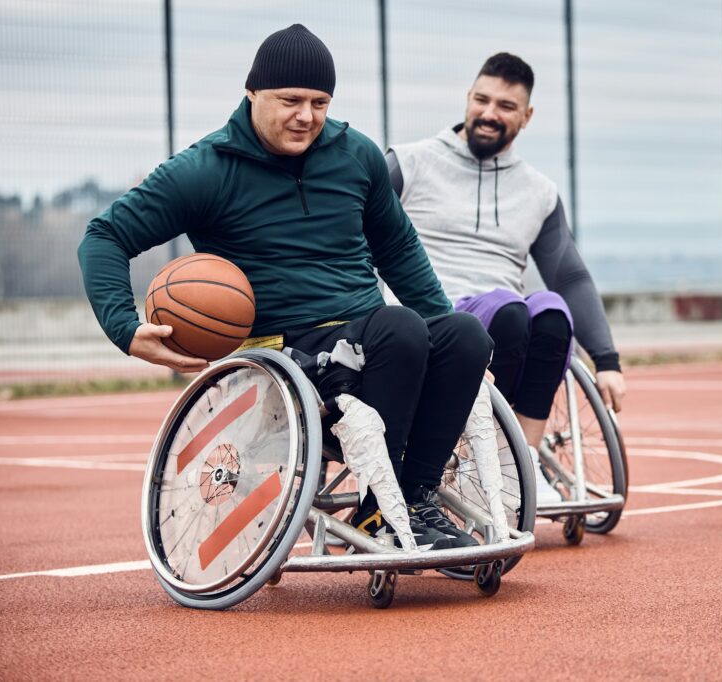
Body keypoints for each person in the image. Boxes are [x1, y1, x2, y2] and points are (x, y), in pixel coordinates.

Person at [78, 24, 490, 549]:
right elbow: (104, 235)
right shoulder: (207, 169)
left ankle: (410, 501)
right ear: (252, 92)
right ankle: (380, 511)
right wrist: (124, 327)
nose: (307, 116)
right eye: (290, 100)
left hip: (374, 337)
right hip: (281, 354)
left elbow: (399, 248)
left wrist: (450, 337)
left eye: (320, 102)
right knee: (402, 329)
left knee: (465, 335)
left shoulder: (356, 155)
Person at [386, 52, 626, 503]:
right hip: (433, 316)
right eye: (482, 100)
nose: (489, 114)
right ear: (468, 99)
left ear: (527, 116)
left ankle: (521, 465)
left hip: (503, 313)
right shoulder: (410, 162)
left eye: (506, 107)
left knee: (552, 311)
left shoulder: (539, 191)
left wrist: (607, 361)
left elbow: (569, 274)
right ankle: (486, 459)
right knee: (509, 310)